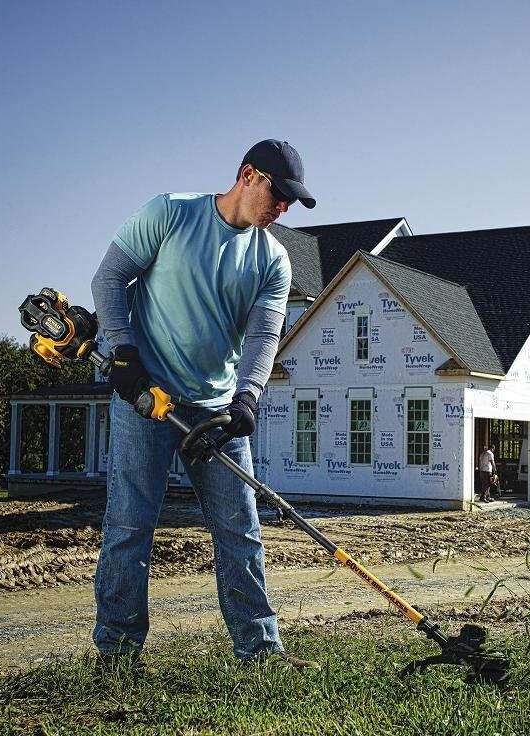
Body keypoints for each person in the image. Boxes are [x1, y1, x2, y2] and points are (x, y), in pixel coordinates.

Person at [89, 139, 318, 672]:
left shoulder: (273, 259)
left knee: (241, 530)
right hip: (147, 398)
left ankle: (259, 653)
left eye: (291, 202)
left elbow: (264, 337)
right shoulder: (170, 213)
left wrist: (248, 399)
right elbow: (109, 279)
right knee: (129, 525)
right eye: (278, 195)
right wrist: (123, 351)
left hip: (217, 412)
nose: (282, 208)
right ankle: (118, 656)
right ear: (248, 175)